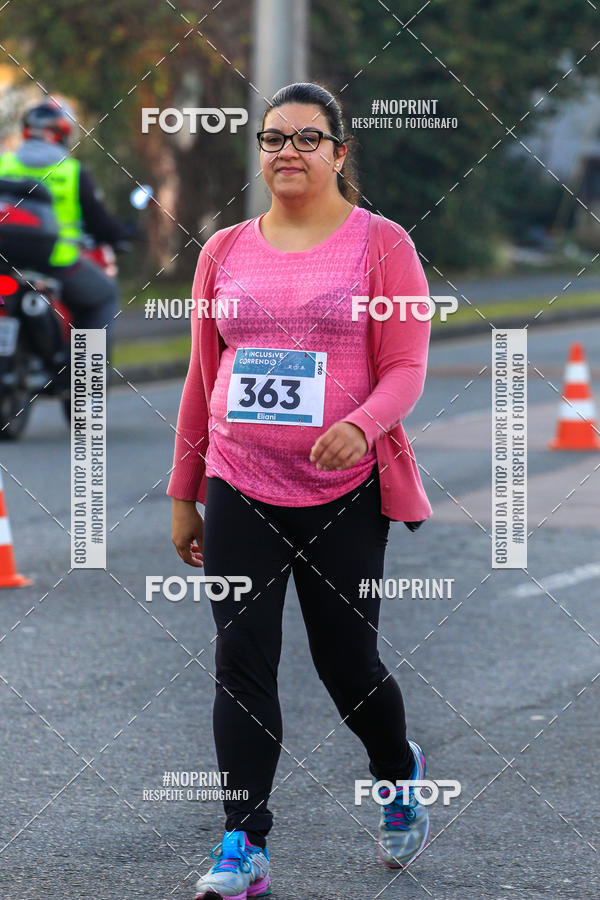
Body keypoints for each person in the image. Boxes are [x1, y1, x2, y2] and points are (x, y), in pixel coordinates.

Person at [167, 81, 433, 900]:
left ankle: (398, 770)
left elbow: (407, 366)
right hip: (241, 482)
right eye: (273, 138)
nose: (287, 151)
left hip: (344, 490)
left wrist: (363, 422)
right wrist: (187, 488)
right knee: (241, 661)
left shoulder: (381, 244)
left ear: (339, 153)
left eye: (307, 139)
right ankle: (243, 844)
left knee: (346, 664)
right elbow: (201, 375)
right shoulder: (224, 251)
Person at [0, 97, 131, 369]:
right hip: (56, 262)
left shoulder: (4, 164)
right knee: (103, 296)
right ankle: (85, 392)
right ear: (63, 135)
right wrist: (122, 234)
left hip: (4, 262)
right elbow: (99, 223)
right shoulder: (72, 171)